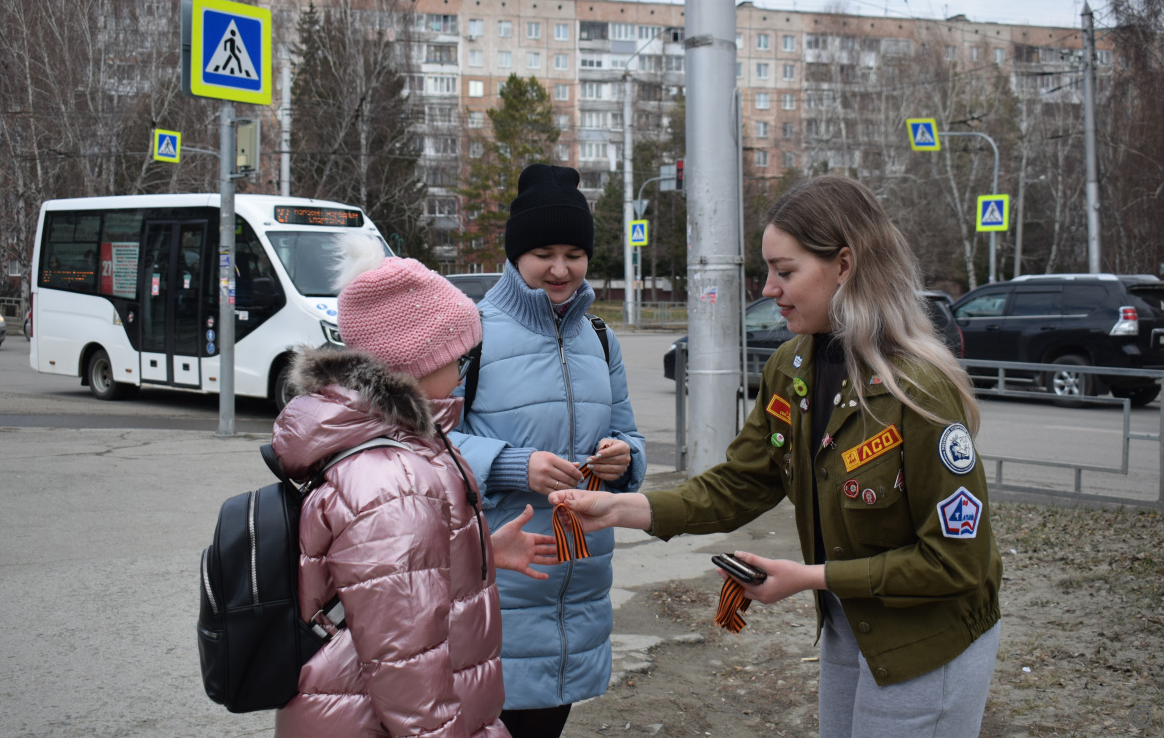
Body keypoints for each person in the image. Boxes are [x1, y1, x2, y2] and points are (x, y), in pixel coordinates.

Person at [552, 174, 1002, 738]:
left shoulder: (917, 389)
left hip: (927, 644)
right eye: (768, 271)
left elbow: (955, 564)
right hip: (851, 625)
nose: (767, 289)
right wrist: (623, 510)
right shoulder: (790, 368)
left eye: (785, 272)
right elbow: (739, 484)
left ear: (845, 264)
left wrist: (808, 576)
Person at [271, 238, 558, 738]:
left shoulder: (394, 449)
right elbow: (408, 667)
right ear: (417, 366)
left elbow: (391, 580)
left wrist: (477, 550)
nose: (466, 375)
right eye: (461, 361)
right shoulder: (395, 479)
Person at [449, 164, 647, 738]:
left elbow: (631, 438)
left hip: (581, 584)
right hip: (500, 583)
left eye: (574, 253)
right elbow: (426, 448)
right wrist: (515, 464)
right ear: (515, 256)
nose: (560, 269)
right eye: (543, 252)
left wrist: (623, 458)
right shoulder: (472, 334)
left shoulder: (600, 338)